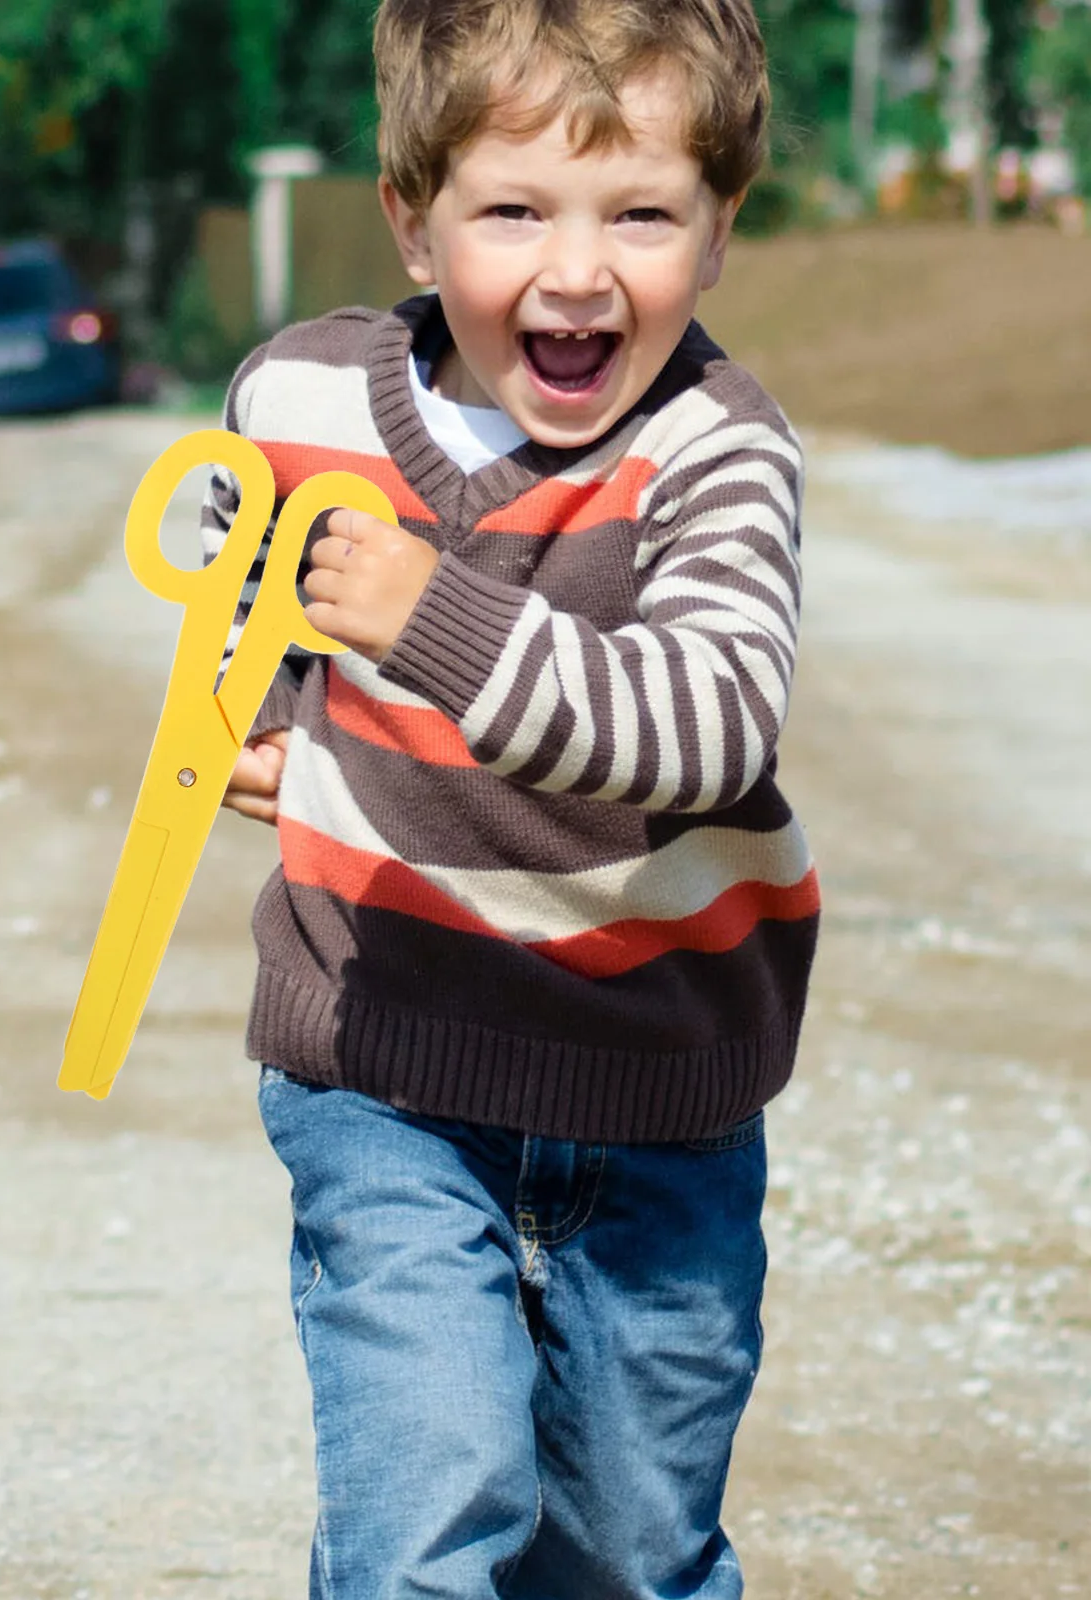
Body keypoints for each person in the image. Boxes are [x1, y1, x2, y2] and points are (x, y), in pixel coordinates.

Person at [205, 0, 820, 1594]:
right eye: (512, 209)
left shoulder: (717, 455)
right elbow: (254, 586)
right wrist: (273, 723)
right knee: (429, 1520)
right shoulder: (298, 401)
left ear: (719, 227)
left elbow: (709, 721)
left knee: (628, 1554)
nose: (576, 269)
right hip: (385, 1067)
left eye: (641, 212)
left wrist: (434, 618)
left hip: (654, 1095)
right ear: (412, 218)